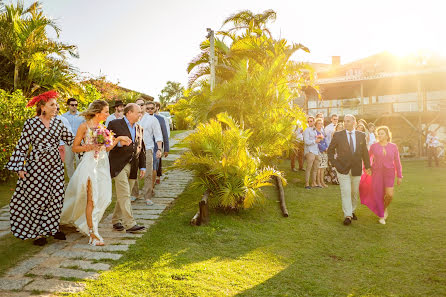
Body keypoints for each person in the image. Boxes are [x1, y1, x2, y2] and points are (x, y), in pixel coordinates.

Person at [5, 90, 74, 246]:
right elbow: (22, 146)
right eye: (52, 105)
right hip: (36, 166)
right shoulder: (31, 123)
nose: (55, 108)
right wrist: (19, 167)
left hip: (55, 165)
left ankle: (53, 228)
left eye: (56, 105)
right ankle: (38, 232)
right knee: (39, 198)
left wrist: (90, 141)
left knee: (56, 196)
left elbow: (71, 140)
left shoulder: (59, 122)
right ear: (43, 107)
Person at [61, 100, 131, 246]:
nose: (108, 114)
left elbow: (106, 148)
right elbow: (75, 148)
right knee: (91, 199)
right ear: (98, 113)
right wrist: (89, 146)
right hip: (89, 165)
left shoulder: (103, 128)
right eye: (106, 111)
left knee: (105, 198)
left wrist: (118, 138)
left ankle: (87, 224)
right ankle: (93, 233)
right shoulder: (83, 127)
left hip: (103, 165)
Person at [108, 103, 147, 233]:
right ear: (129, 113)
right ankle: (130, 224)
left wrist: (142, 166)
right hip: (119, 165)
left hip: (134, 166)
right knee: (125, 194)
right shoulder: (114, 124)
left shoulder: (140, 128)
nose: (140, 115)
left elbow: (142, 149)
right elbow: (107, 143)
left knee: (125, 194)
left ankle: (115, 220)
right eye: (138, 112)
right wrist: (119, 143)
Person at [327, 114, 371, 225]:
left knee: (354, 192)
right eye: (344, 121)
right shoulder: (338, 135)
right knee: (345, 191)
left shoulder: (361, 135)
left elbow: (365, 152)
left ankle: (352, 210)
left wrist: (368, 166)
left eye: (348, 121)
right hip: (342, 169)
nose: (345, 123)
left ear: (354, 123)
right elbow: (330, 151)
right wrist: (335, 164)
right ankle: (347, 215)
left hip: (356, 169)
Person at [360, 126, 403, 224]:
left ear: (387, 135)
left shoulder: (393, 146)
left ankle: (384, 208)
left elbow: (397, 161)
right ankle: (381, 215)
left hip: (390, 173)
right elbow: (367, 158)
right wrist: (367, 168)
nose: (379, 135)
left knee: (389, 195)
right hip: (377, 173)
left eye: (382, 133)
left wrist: (400, 175)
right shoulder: (374, 146)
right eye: (378, 134)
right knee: (379, 194)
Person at [131, 100, 163, 205]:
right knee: (133, 172)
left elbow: (158, 135)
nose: (140, 106)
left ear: (144, 106)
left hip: (148, 149)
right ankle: (135, 194)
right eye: (138, 105)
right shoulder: (132, 119)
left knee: (148, 173)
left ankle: (148, 196)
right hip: (134, 149)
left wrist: (159, 149)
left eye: (141, 104)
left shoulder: (152, 120)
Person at [62, 98, 84, 178]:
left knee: (80, 162)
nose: (74, 106)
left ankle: (78, 180)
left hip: (79, 143)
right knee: (68, 163)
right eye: (72, 105)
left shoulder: (82, 116)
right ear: (68, 105)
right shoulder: (63, 117)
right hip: (67, 143)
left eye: (76, 105)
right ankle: (71, 180)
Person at [153, 102, 170, 187]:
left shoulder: (162, 118)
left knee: (158, 160)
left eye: (153, 107)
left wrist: (166, 148)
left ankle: (157, 176)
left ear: (157, 107)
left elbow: (166, 132)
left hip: (160, 141)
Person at [303, 116, 321, 189]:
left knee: (315, 168)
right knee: (309, 168)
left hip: (316, 150)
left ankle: (314, 183)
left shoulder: (314, 130)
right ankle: (306, 184)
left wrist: (319, 139)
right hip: (309, 151)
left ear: (314, 122)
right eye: (308, 121)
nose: (310, 122)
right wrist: (315, 141)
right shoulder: (306, 130)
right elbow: (306, 142)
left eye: (311, 121)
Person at [315, 119, 328, 188]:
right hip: (319, 151)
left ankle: (322, 181)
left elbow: (325, 141)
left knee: (323, 168)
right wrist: (324, 148)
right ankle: (318, 182)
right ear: (316, 124)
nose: (320, 124)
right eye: (318, 123)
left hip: (325, 152)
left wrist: (327, 148)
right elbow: (318, 143)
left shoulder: (322, 132)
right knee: (319, 168)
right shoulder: (315, 132)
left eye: (321, 123)